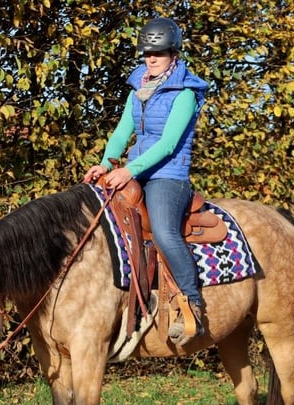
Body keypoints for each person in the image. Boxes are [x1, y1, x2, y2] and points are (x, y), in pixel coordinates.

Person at [83, 17, 209, 346]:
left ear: (173, 54)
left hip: (169, 176)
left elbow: (168, 144)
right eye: (147, 53)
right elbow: (123, 131)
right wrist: (105, 164)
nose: (151, 59)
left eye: (159, 53)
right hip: (136, 172)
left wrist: (128, 170)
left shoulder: (184, 92)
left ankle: (192, 304)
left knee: (165, 232)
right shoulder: (139, 85)